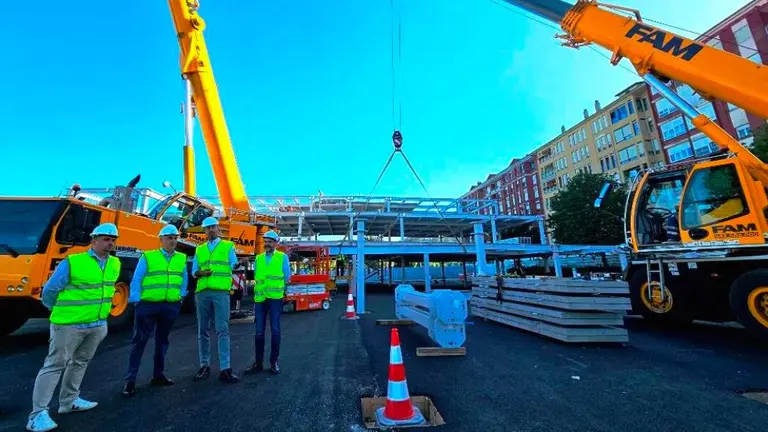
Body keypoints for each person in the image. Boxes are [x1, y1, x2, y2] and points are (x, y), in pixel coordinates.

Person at [26, 223, 121, 432]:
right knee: (54, 365)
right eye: (106, 239)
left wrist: (102, 320)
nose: (110, 243)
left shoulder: (115, 263)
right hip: (69, 325)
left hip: (96, 324)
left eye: (113, 239)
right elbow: (50, 291)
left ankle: (69, 402)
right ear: (93, 240)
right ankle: (37, 414)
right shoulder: (73, 262)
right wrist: (59, 312)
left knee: (80, 362)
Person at [122, 224, 188, 397]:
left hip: (170, 305)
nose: (173, 241)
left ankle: (158, 375)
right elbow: (137, 279)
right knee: (139, 341)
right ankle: (130, 380)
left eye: (175, 238)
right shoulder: (148, 256)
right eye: (169, 238)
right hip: (148, 305)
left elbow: (183, 279)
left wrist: (181, 296)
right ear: (161, 240)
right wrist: (136, 301)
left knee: (162, 341)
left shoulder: (181, 258)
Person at [192, 216, 240, 383]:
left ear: (218, 229)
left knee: (222, 329)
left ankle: (225, 368)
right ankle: (204, 365)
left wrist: (238, 264)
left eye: (213, 227)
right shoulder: (200, 250)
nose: (210, 230)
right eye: (207, 228)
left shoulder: (228, 246)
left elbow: (234, 264)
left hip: (220, 293)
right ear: (204, 231)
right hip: (202, 292)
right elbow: (194, 271)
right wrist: (201, 273)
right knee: (202, 330)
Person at [244, 230, 291, 376]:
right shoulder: (258, 259)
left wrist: (281, 291)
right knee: (259, 332)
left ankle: (274, 362)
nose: (267, 244)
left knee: (275, 330)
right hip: (260, 299)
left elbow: (287, 277)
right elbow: (258, 278)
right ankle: (258, 363)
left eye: (270, 241)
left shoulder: (282, 258)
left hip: (275, 299)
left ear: (276, 243)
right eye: (266, 241)